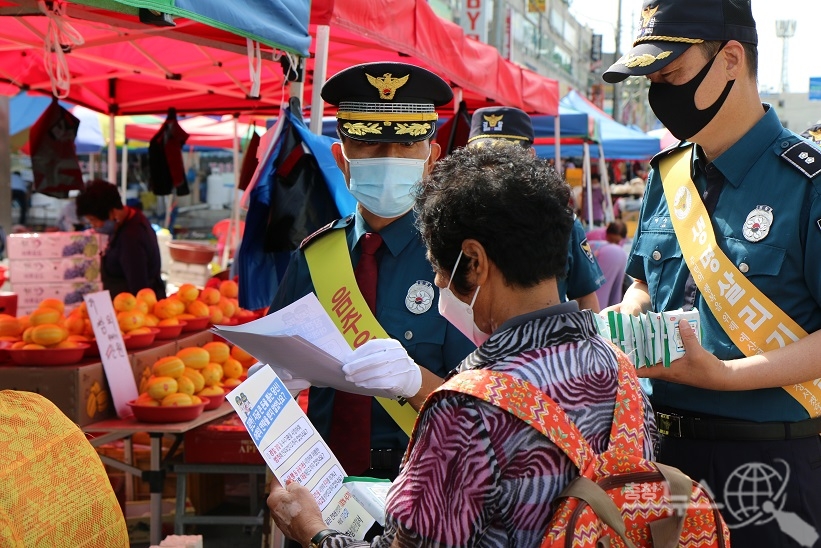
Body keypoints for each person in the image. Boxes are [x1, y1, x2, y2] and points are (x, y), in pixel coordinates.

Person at [268, 144, 657, 548]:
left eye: (439, 266)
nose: (438, 283)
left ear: (474, 261)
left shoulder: (467, 408)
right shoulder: (618, 369)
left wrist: (312, 530)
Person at [603, 0, 821, 543]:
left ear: (730, 59)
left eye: (672, 74)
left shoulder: (808, 183)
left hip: (770, 469)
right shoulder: (667, 176)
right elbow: (643, 285)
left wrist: (724, 376)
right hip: (660, 458)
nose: (660, 95)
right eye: (652, 81)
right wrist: (623, 322)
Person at [267, 62, 475, 481]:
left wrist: (415, 382)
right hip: (323, 483)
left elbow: (491, 405)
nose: (389, 159)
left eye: (406, 145)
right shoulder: (313, 257)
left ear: (431, 159)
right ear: (341, 159)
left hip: (428, 483)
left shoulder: (461, 261)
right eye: (369, 144)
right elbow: (275, 392)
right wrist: (278, 479)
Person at [467, 106, 605, 312]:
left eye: (506, 157)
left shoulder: (561, 220)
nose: (493, 167)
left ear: (530, 156)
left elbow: (585, 298)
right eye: (483, 157)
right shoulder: (455, 220)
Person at [75, 179, 166, 298]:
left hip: (131, 306)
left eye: (94, 220)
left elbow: (139, 290)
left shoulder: (131, 239)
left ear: (113, 212)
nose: (94, 226)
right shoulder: (130, 216)